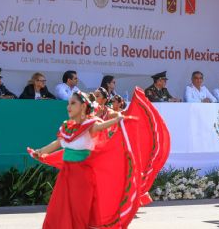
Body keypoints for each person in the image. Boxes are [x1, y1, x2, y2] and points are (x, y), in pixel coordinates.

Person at [28, 88, 171, 228]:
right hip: (66, 175)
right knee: (58, 209)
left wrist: (119, 119)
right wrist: (40, 151)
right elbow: (58, 143)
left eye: (72, 103)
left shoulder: (91, 125)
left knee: (79, 213)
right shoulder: (67, 127)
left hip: (82, 176)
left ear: (83, 106)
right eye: (68, 103)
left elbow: (102, 126)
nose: (68, 106)